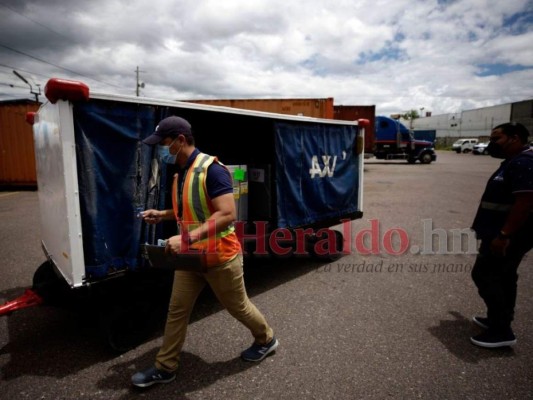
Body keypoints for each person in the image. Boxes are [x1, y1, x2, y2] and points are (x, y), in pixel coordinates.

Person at [132, 116, 278, 388]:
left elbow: (226, 214)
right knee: (177, 310)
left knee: (239, 307)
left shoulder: (213, 170)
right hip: (191, 258)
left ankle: (266, 339)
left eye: (163, 144)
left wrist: (186, 238)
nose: (161, 151)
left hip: (220, 257)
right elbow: (192, 211)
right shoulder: (183, 172)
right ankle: (166, 367)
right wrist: (162, 215)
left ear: (180, 141)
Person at [470, 122, 533, 348]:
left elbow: (525, 203)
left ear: (514, 138)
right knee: (504, 277)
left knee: (486, 275)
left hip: (509, 236)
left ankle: (501, 330)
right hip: (501, 234)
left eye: (496, 138)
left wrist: (504, 235)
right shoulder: (513, 162)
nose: (491, 143)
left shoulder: (524, 163)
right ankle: (498, 320)